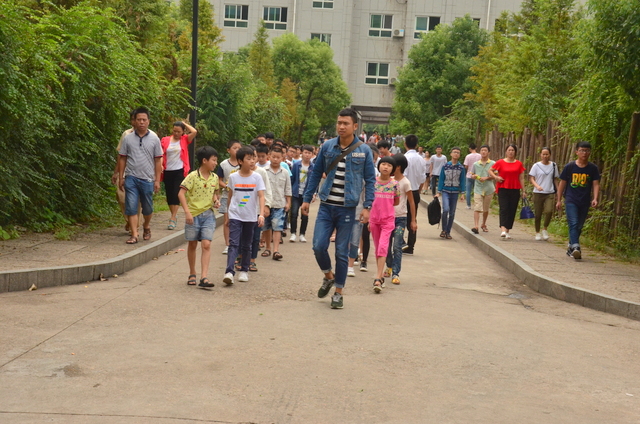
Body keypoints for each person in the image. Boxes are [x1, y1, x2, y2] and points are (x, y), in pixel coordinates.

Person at [301, 108, 376, 309]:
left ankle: (338, 292)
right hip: (326, 206)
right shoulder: (327, 146)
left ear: (355, 126)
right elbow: (316, 173)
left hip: (347, 208)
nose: (341, 126)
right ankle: (328, 276)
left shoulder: (364, 150)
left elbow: (370, 180)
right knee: (318, 246)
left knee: (342, 252)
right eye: (339, 123)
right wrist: (307, 198)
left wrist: (367, 206)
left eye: (345, 123)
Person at [118, 107, 163, 244]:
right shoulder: (128, 138)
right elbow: (122, 158)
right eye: (139, 120)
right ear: (134, 121)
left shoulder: (154, 139)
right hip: (131, 177)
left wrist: (157, 180)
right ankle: (134, 234)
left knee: (147, 208)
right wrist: (121, 177)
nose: (141, 122)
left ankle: (146, 226)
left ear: (148, 121)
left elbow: (158, 160)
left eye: (144, 120)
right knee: (131, 206)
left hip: (148, 178)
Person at [177, 146, 220, 288]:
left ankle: (204, 277)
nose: (215, 163)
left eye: (216, 160)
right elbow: (181, 194)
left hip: (208, 215)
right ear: (204, 160)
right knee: (192, 244)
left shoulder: (215, 177)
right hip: (193, 215)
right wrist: (187, 212)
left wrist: (216, 201)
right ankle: (192, 273)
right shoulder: (192, 176)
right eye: (213, 160)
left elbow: (214, 193)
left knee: (206, 244)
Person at [223, 146, 266, 285]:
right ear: (240, 161)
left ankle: (244, 270)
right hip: (235, 215)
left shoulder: (257, 177)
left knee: (247, 244)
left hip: (250, 216)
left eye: (253, 158)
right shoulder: (233, 177)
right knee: (234, 243)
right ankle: (229, 272)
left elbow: (261, 196)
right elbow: (230, 196)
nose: (252, 161)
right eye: (249, 158)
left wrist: (261, 214)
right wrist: (228, 215)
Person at [556, 141, 600, 259]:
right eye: (582, 150)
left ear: (589, 152)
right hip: (571, 199)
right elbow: (562, 183)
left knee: (579, 226)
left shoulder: (593, 168)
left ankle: (571, 246)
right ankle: (576, 247)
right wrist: (559, 200)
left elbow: (596, 184)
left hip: (584, 200)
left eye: (587, 151)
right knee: (574, 222)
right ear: (576, 152)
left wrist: (595, 198)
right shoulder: (570, 167)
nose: (584, 153)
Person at [384, 153, 416, 285]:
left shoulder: (405, 183)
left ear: (398, 167)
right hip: (387, 218)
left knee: (397, 246)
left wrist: (413, 220)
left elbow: (411, 202)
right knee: (386, 246)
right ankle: (389, 265)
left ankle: (396, 273)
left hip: (400, 218)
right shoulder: (389, 181)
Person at [369, 156, 399, 293]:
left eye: (389, 165)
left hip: (388, 220)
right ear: (379, 166)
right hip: (374, 219)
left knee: (383, 246)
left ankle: (377, 278)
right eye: (383, 164)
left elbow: (396, 201)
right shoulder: (372, 182)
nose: (385, 167)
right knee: (377, 248)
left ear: (393, 169)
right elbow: (368, 200)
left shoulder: (394, 184)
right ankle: (380, 275)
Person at [161, 121, 197, 230]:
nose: (176, 133)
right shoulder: (165, 140)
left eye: (179, 132)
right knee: (169, 194)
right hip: (167, 170)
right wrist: (161, 165)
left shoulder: (185, 139)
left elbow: (194, 131)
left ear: (183, 132)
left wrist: (184, 123)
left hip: (180, 170)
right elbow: (161, 153)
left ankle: (173, 217)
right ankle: (174, 214)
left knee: (176, 193)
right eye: (174, 131)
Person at [112, 111, 141, 234]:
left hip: (140, 172)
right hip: (125, 170)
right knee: (122, 197)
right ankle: (130, 221)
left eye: (138, 119)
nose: (136, 122)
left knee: (137, 200)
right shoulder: (126, 134)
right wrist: (116, 172)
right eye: (133, 119)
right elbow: (121, 155)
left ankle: (135, 227)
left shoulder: (150, 136)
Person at [489, 144, 526, 240]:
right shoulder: (500, 162)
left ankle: (507, 230)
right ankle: (503, 229)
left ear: (515, 152)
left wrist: (524, 190)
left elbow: (521, 178)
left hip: (515, 188)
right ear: (506, 151)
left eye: (512, 150)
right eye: (509, 150)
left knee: (512, 210)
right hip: (503, 188)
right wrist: (496, 177)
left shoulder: (519, 164)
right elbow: (490, 170)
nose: (511, 152)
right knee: (504, 208)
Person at [263, 146, 291, 261]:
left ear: (282, 158)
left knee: (277, 226)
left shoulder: (285, 172)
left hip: (279, 204)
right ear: (269, 156)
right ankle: (267, 248)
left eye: (278, 157)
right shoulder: (264, 171)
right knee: (266, 226)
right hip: (266, 204)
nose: (275, 159)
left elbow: (288, 189)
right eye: (273, 157)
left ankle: (276, 250)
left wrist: (288, 202)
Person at [401, 134, 426, 255]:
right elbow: (422, 178)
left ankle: (401, 242)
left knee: (400, 217)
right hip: (415, 191)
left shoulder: (404, 158)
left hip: (404, 192)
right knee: (413, 218)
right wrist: (419, 191)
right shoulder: (421, 159)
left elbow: (403, 176)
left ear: (405, 144)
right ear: (416, 145)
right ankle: (411, 246)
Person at [435, 147, 466, 239]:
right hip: (445, 191)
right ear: (451, 154)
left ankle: (448, 231)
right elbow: (441, 179)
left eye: (458, 153)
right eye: (454, 152)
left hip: (455, 192)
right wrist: (439, 191)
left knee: (452, 213)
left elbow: (462, 180)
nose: (456, 154)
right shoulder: (445, 166)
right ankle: (444, 229)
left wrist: (463, 193)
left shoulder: (461, 168)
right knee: (445, 210)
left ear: (459, 155)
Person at [217, 140, 242, 254]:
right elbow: (219, 180)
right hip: (227, 196)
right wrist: (227, 186)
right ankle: (228, 244)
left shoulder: (243, 163)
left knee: (240, 219)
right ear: (228, 150)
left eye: (239, 148)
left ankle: (238, 242)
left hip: (241, 197)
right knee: (227, 220)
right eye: (234, 148)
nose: (237, 150)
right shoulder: (223, 164)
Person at [530, 147, 559, 241]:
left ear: (550, 155)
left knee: (549, 211)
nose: (545, 156)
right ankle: (537, 232)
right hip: (538, 193)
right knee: (538, 214)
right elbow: (531, 178)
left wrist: (558, 191)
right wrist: (537, 186)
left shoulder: (553, 165)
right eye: (543, 154)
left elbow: (555, 179)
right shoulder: (536, 165)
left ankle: (545, 229)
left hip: (549, 192)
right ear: (540, 155)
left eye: (547, 154)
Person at [290, 145, 314, 243]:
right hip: (296, 193)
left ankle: (302, 234)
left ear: (312, 155)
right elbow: (292, 179)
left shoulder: (313, 167)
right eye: (305, 152)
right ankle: (293, 233)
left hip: (306, 194)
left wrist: (314, 194)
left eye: (309, 153)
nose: (307, 155)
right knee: (294, 213)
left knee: (305, 215)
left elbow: (314, 182)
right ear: (301, 153)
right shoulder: (296, 165)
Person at [469, 145, 495, 234]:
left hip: (489, 188)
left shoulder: (493, 163)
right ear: (480, 152)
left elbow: (495, 176)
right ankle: (476, 226)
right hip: (478, 188)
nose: (483, 152)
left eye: (485, 150)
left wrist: (486, 178)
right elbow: (471, 174)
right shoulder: (476, 164)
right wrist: (474, 176)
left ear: (489, 152)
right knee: (477, 206)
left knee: (485, 208)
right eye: (482, 150)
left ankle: (483, 224)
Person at [463, 143, 481, 210]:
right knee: (477, 191)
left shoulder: (468, 156)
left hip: (469, 175)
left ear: (470, 149)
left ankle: (468, 205)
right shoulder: (480, 156)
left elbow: (466, 166)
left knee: (468, 191)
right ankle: (477, 204)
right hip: (477, 175)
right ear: (476, 148)